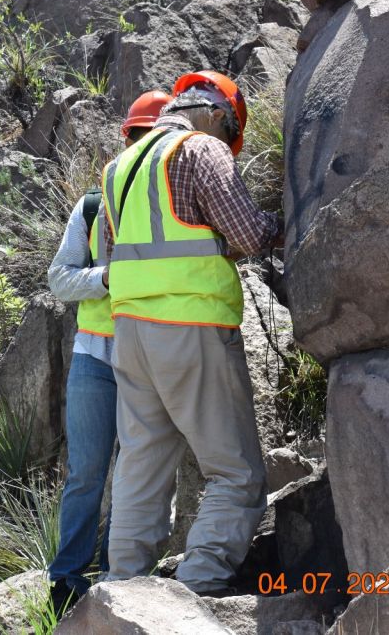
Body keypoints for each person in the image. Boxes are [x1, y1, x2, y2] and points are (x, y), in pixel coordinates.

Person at [100, 71, 285, 597]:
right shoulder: (201, 149)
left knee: (142, 464)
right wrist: (287, 224)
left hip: (131, 336)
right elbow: (247, 233)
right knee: (236, 474)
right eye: (232, 134)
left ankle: (122, 590)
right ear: (218, 115)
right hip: (191, 327)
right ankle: (200, 585)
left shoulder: (119, 167)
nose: (229, 144)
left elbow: (129, 253)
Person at [46, 90, 173, 614]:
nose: (144, 148)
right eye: (139, 138)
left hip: (153, 358)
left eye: (153, 138)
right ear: (128, 142)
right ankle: (66, 582)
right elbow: (60, 279)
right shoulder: (93, 205)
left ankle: (119, 579)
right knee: (87, 474)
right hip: (96, 359)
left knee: (138, 474)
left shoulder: (177, 201)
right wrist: (111, 277)